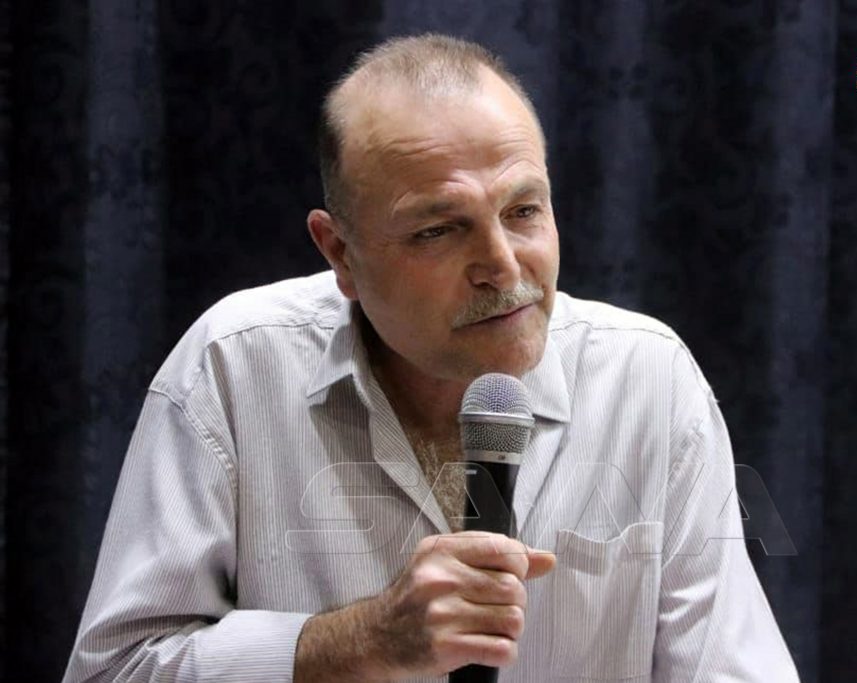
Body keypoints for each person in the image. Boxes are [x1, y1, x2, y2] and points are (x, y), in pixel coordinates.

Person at [63, 34, 799, 682]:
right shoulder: (232, 366)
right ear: (340, 253)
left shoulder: (648, 378)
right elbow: (115, 670)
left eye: (523, 210)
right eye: (439, 231)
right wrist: (360, 643)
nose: (502, 266)